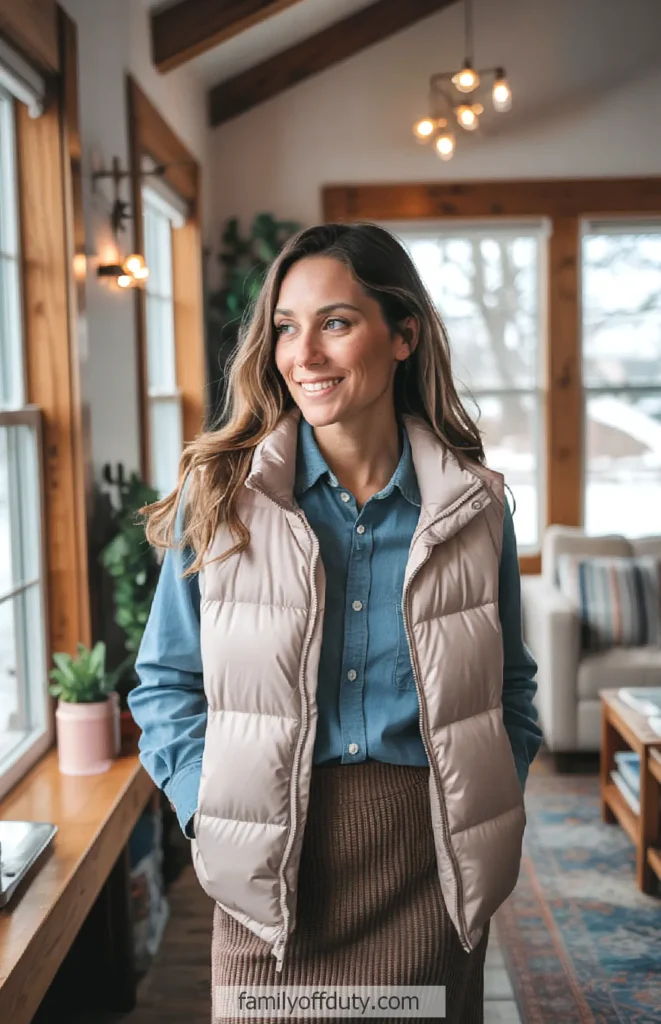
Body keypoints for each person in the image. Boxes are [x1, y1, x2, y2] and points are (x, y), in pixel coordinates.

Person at [129, 222, 543, 1023]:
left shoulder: (474, 508)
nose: (303, 355)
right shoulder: (218, 502)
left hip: (429, 873)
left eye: (336, 323)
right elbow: (164, 685)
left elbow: (509, 686)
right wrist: (207, 808)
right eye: (286, 327)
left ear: (402, 335)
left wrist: (496, 791)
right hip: (267, 878)